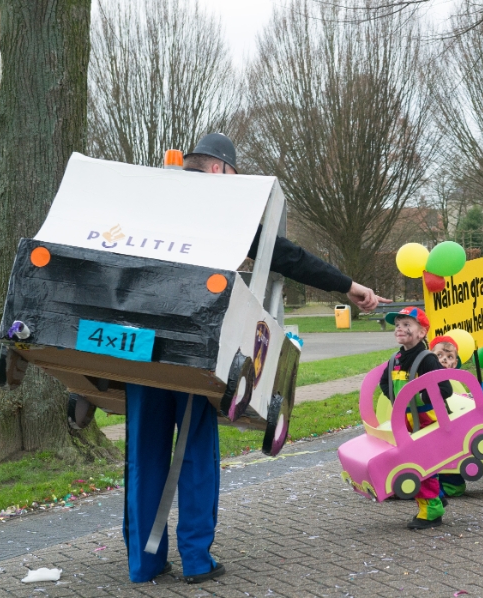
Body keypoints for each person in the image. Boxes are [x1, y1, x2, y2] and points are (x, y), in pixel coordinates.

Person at [122, 133, 386, 584]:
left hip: (139, 344)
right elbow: (288, 257)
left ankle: (143, 565)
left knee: (144, 455)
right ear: (219, 168)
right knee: (194, 453)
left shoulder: (149, 201)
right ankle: (196, 560)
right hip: (195, 348)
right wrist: (349, 286)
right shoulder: (222, 208)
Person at [377, 306, 453, 529]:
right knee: (415, 464)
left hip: (427, 423)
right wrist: (398, 400)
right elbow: (384, 383)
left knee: (420, 465)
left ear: (421, 332)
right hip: (406, 423)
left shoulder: (427, 360)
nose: (400, 328)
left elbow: (445, 388)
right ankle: (438, 496)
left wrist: (417, 399)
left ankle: (431, 512)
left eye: (406, 324)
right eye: (397, 325)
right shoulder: (396, 359)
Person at [429, 336, 468, 497]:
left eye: (449, 357)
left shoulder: (452, 383)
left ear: (455, 363)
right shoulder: (426, 380)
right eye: (439, 355)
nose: (444, 359)